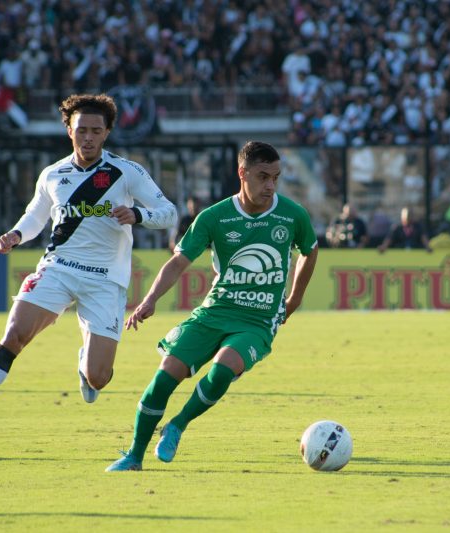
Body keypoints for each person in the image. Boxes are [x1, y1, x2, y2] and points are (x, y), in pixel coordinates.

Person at [0, 93, 178, 450]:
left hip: (105, 280)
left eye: (95, 130)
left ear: (107, 132)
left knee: (99, 377)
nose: (88, 137)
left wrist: (138, 215)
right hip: (58, 268)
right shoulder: (52, 174)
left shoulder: (127, 172)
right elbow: (35, 216)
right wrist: (17, 233)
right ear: (69, 131)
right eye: (81, 130)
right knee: (13, 335)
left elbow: (168, 212)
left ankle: (85, 365)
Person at [105, 141, 319, 472]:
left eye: (276, 177)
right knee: (163, 380)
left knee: (223, 368)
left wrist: (294, 299)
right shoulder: (215, 217)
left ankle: (177, 425)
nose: (270, 186)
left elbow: (310, 249)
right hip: (214, 313)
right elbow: (178, 262)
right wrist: (149, 300)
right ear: (242, 173)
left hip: (257, 320)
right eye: (263, 177)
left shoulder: (292, 214)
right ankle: (134, 455)